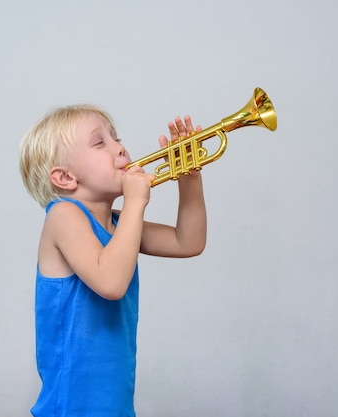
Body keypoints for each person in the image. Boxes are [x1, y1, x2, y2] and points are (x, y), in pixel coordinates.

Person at [19, 104, 207, 417]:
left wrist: (190, 178)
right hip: (71, 407)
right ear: (65, 177)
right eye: (99, 143)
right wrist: (135, 201)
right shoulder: (64, 216)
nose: (119, 148)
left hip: (114, 404)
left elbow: (187, 242)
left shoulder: (120, 225)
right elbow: (111, 283)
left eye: (116, 138)